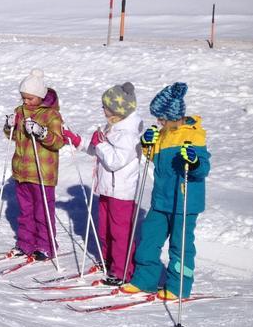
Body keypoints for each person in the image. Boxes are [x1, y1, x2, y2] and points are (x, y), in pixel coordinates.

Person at [121, 83, 210, 299]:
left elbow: (203, 169)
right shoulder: (161, 135)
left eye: (162, 118)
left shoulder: (193, 136)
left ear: (173, 116)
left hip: (184, 201)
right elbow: (155, 160)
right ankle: (145, 279)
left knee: (180, 246)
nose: (159, 122)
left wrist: (194, 161)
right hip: (161, 201)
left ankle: (178, 286)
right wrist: (146, 145)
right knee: (149, 239)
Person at [85, 82, 143, 285]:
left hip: (122, 192)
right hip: (106, 188)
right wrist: (91, 142)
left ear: (117, 111)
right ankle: (110, 263)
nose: (102, 110)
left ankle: (123, 270)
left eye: (105, 108)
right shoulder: (113, 128)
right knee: (105, 230)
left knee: (120, 232)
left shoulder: (129, 135)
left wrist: (100, 144)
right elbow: (96, 152)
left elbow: (114, 162)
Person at [5, 68, 64, 260]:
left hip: (42, 173)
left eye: (30, 98)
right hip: (22, 170)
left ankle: (46, 245)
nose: (26, 102)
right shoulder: (19, 112)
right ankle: (25, 243)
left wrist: (42, 132)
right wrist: (9, 126)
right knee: (25, 211)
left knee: (42, 211)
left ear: (40, 96)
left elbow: (58, 141)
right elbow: (12, 136)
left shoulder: (51, 115)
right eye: (23, 98)